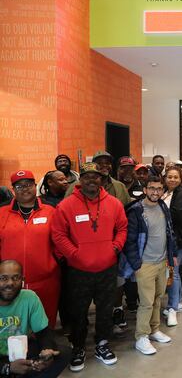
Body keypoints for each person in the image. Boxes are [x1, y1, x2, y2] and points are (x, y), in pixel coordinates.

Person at [51, 162, 127, 371]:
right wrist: (74, 254)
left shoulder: (114, 203)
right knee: (78, 312)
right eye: (87, 177)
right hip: (78, 270)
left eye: (96, 177)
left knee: (105, 310)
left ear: (101, 180)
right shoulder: (66, 205)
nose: (91, 180)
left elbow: (122, 227)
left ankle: (102, 344)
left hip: (107, 268)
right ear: (80, 180)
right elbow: (58, 234)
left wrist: (115, 248)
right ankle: (78, 347)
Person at [120, 176, 175, 355]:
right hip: (145, 264)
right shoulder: (136, 210)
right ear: (145, 190)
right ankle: (141, 337)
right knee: (146, 302)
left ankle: (154, 329)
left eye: (159, 189)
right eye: (152, 188)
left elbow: (168, 232)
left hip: (162, 262)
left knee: (158, 298)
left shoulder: (162, 206)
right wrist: (137, 264)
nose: (155, 192)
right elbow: (129, 241)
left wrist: (170, 255)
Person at [0, 171, 60, 328]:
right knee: (13, 327)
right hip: (10, 283)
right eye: (19, 186)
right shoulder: (2, 213)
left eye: (28, 185)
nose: (24, 189)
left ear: (35, 186)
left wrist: (52, 263)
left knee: (45, 324)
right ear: (13, 189)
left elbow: (60, 242)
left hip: (45, 281)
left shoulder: (51, 211)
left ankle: (45, 350)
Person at [0, 260, 69, 378]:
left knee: (64, 354)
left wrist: (47, 351)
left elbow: (43, 331)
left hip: (22, 352)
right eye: (3, 278)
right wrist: (7, 367)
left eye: (16, 278)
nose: (10, 283)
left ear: (22, 280)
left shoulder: (30, 297)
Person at [161, 167, 182, 326]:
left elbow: (174, 215)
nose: (172, 180)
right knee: (175, 271)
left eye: (175, 177)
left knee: (173, 272)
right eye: (169, 177)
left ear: (180, 179)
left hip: (177, 240)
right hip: (166, 240)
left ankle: (172, 307)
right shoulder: (166, 191)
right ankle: (179, 302)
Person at [65, 151, 131, 206]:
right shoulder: (75, 186)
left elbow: (129, 211)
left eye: (107, 163)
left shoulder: (120, 187)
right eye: (99, 163)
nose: (104, 165)